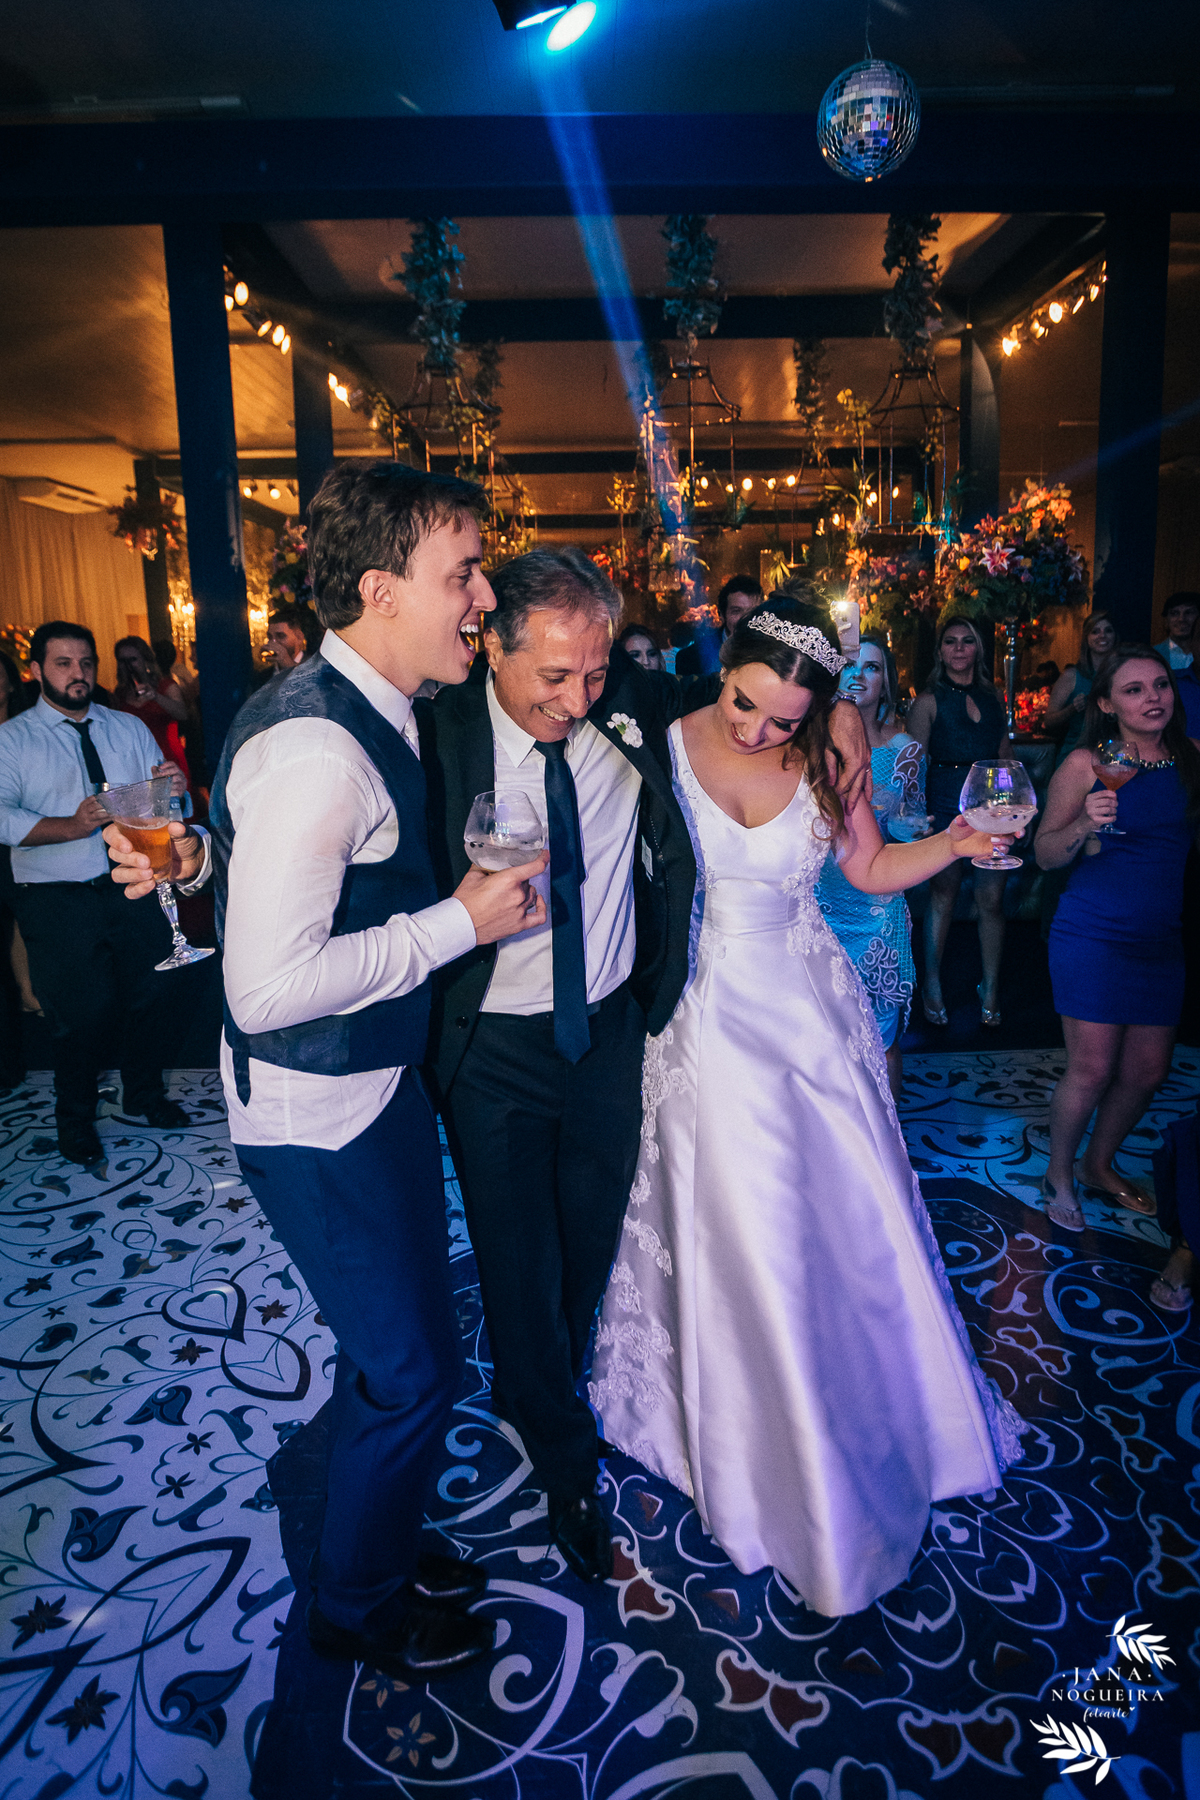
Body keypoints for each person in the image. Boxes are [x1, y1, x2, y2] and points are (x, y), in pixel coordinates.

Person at [108, 461, 549, 1678]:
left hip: (372, 1085)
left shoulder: (360, 702)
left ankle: (378, 1540)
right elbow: (263, 990)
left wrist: (198, 863)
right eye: (464, 574)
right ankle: (358, 1604)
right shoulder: (320, 745)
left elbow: (272, 869)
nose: (484, 597)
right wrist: (459, 923)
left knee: (391, 1352)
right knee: (413, 1373)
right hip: (317, 1112)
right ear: (380, 590)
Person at [417, 550, 875, 1584]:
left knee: (594, 1241)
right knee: (517, 1259)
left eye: (593, 674)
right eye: (553, 677)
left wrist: (841, 713)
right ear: (492, 647)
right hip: (490, 1046)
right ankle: (560, 1453)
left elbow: (762, 691)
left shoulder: (634, 702)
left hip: (612, 1035)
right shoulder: (435, 737)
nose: (578, 700)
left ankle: (547, 1374)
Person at [588, 597, 1025, 1618]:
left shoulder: (830, 752)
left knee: (839, 1227)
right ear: (723, 668)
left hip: (812, 1021)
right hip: (705, 1021)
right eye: (743, 703)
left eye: (782, 719)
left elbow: (867, 868)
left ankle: (862, 1416)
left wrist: (957, 842)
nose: (754, 731)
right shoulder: (660, 740)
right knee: (738, 1231)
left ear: (818, 711)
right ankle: (740, 1438)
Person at [0, 622, 192, 1163]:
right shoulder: (12, 739)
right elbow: (2, 816)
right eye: (63, 663)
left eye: (85, 663)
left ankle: (145, 1095)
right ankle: (75, 1119)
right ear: (36, 671)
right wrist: (70, 825)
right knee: (79, 1015)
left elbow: (162, 807)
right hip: (55, 895)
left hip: (130, 882)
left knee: (152, 994)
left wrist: (174, 791)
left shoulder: (127, 727)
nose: (78, 674)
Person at [1034, 645, 1200, 1230]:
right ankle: (1059, 1173)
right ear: (1106, 704)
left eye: (1160, 685)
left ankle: (1097, 1164)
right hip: (1093, 934)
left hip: (1161, 939)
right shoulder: (1089, 763)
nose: (1153, 698)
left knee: (1149, 1070)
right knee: (1092, 1068)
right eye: (1134, 690)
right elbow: (1045, 854)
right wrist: (1086, 821)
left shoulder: (1191, 757)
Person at [816, 634, 926, 1100]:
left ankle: (887, 1132)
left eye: (872, 667)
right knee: (822, 1033)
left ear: (887, 682)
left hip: (876, 907)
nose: (858, 675)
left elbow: (913, 824)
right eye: (850, 664)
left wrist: (898, 825)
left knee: (881, 1037)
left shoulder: (905, 751)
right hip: (817, 900)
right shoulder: (810, 743)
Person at [907, 616, 1011, 1028]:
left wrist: (1013, 806)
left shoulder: (993, 696)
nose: (959, 648)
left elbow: (1005, 756)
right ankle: (931, 983)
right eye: (950, 641)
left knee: (992, 899)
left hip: (991, 803)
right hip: (946, 799)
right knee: (944, 893)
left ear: (977, 650)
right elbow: (912, 766)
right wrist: (918, 815)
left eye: (967, 641)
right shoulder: (928, 701)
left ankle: (992, 987)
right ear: (940, 651)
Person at [114, 635, 190, 787]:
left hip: (166, 755)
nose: (128, 666)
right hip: (136, 760)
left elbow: (183, 714)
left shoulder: (166, 686)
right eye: (122, 661)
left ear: (146, 660)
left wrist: (156, 697)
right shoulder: (120, 693)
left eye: (133, 659)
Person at [1043, 611, 1118, 766]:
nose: (1102, 635)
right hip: (1075, 757)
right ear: (1087, 638)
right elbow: (1049, 721)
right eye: (1095, 631)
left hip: (1114, 757)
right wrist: (1072, 709)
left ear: (1115, 636)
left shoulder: (1124, 673)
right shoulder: (1072, 675)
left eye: (1108, 630)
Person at [674, 575, 763, 680]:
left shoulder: (774, 652)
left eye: (753, 612)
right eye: (736, 611)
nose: (746, 619)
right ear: (722, 615)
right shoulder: (691, 657)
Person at [264, 601, 320, 675]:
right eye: (270, 637)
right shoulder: (263, 676)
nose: (273, 642)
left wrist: (288, 666)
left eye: (281, 636)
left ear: (299, 637)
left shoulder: (315, 665)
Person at [1155, 591, 1198, 672]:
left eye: (1188, 613)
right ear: (1166, 620)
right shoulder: (1154, 654)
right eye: (1174, 613)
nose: (1181, 619)